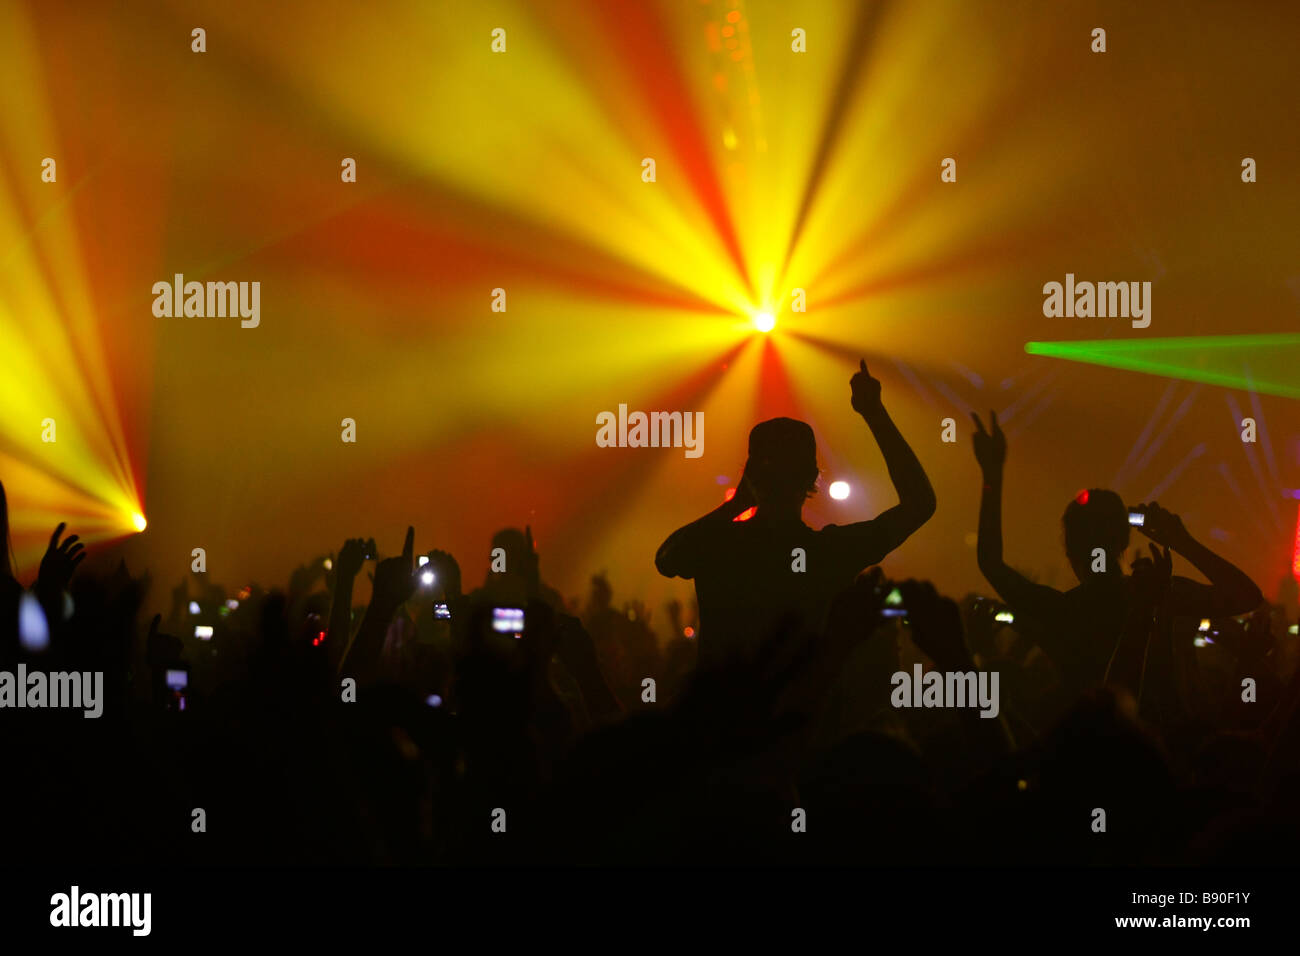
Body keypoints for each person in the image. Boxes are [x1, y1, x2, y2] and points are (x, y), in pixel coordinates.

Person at [655, 360, 936, 669]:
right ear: (812, 477)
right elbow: (919, 504)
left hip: (720, 716)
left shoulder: (719, 544)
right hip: (792, 716)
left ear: (750, 476)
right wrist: (874, 414)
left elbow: (667, 559)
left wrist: (735, 505)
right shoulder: (827, 553)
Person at [970, 410, 1263, 696]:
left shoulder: (1064, 612)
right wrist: (1182, 541)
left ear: (1069, 548)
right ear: (1123, 542)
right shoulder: (1164, 596)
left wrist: (992, 476)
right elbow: (1246, 596)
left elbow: (991, 563)